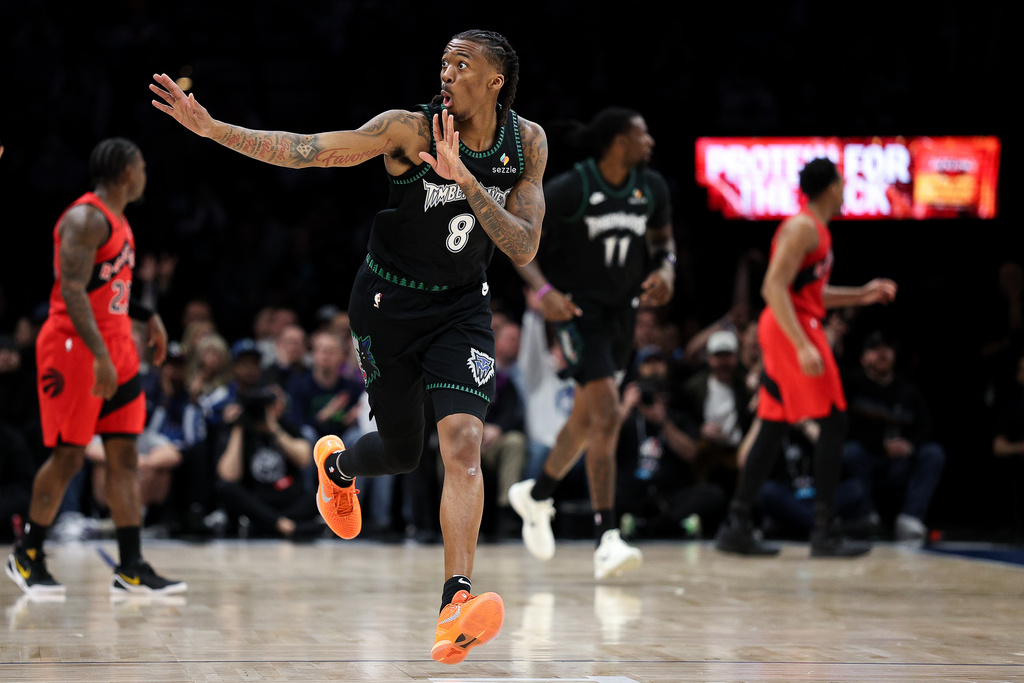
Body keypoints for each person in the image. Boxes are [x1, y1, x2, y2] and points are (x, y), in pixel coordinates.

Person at [152, 29, 545, 663]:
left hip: (463, 308)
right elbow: (311, 151)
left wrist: (468, 182)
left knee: (464, 443)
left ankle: (456, 602)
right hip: (388, 303)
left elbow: (524, 246)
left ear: (497, 79)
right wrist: (214, 129)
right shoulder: (408, 130)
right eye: (443, 61)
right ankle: (337, 469)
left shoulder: (525, 142)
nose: (446, 72)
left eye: (462, 63)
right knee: (401, 451)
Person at [5, 138, 186, 596]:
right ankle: (27, 554)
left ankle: (130, 565)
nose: (146, 174)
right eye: (142, 166)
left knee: (124, 455)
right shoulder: (84, 218)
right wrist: (101, 355)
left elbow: (109, 289)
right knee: (68, 456)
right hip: (75, 348)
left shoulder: (120, 221)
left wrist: (148, 317)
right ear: (126, 171)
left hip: (116, 345)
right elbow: (70, 290)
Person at [505, 106, 674, 579]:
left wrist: (666, 270)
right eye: (643, 134)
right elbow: (517, 239)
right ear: (618, 141)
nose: (650, 143)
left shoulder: (651, 189)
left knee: (584, 420)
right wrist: (543, 292)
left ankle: (536, 496)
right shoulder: (573, 188)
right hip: (578, 316)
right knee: (607, 413)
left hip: (624, 316)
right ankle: (607, 538)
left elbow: (664, 243)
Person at [714, 157, 897, 558]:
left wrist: (863, 293)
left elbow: (809, 294)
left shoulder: (818, 231)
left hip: (791, 324)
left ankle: (736, 524)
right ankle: (824, 530)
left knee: (774, 426)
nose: (846, 188)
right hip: (788, 330)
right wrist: (801, 344)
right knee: (833, 420)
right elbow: (772, 287)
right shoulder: (802, 227)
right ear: (831, 187)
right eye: (843, 182)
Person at [842, 331, 946, 545]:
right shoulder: (852, 384)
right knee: (850, 452)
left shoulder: (908, 390)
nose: (882, 353)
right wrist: (881, 446)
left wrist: (909, 445)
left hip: (900, 460)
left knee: (933, 453)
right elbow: (845, 427)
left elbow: (925, 427)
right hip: (869, 458)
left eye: (887, 348)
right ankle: (866, 517)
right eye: (875, 348)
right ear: (863, 358)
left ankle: (911, 518)